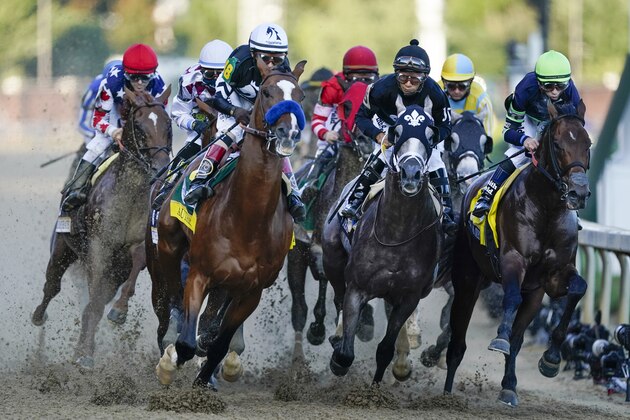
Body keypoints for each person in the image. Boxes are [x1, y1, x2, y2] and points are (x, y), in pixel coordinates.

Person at [182, 23, 306, 222]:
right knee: (230, 133)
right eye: (266, 59)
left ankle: (294, 193)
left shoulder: (283, 66)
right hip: (233, 101)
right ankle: (199, 180)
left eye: (278, 59)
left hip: (262, 104)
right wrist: (235, 111)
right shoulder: (238, 60)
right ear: (253, 53)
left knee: (276, 142)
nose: (272, 64)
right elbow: (219, 97)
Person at [341, 39, 456, 234]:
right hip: (390, 129)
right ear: (396, 74)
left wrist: (431, 141)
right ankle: (354, 201)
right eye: (403, 78)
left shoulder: (436, 93)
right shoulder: (380, 88)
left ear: (425, 77)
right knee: (381, 156)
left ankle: (447, 212)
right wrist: (378, 136)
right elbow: (361, 117)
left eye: (415, 79)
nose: (408, 83)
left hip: (422, 136)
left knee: (436, 161)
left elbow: (445, 125)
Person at [472, 49, 583, 217]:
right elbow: (508, 131)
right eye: (548, 86)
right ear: (539, 83)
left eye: (560, 86)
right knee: (517, 155)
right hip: (528, 120)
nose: (554, 91)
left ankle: (573, 201)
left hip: (555, 121)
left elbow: (577, 128)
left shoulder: (572, 93)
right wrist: (524, 139)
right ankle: (486, 195)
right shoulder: (525, 88)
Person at [62, 43, 168, 212]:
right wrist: (113, 131)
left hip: (140, 121)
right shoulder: (111, 83)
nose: (140, 83)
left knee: (159, 151)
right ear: (125, 73)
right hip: (114, 115)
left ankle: (165, 189)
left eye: (145, 78)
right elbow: (96, 120)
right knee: (97, 147)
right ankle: (75, 190)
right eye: (134, 78)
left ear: (153, 74)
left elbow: (159, 123)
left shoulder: (158, 87)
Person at [152, 39, 233, 209]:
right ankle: (165, 193)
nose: (216, 80)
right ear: (201, 69)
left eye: (221, 74)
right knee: (176, 166)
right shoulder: (190, 80)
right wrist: (193, 123)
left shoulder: (240, 80)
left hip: (233, 134)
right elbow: (178, 112)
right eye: (210, 74)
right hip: (202, 135)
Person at [439, 53, 493, 135]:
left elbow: (487, 137)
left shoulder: (482, 100)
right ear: (443, 82)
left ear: (471, 82)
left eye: (462, 86)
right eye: (451, 86)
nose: (457, 91)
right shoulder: (435, 95)